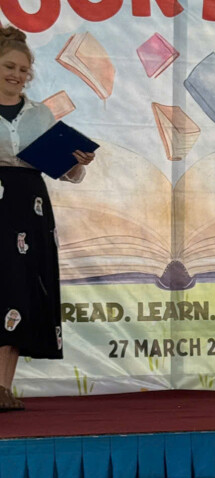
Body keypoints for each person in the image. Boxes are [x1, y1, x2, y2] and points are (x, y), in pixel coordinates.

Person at [0, 26, 95, 411]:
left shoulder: (39, 114)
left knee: (19, 290)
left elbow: (65, 171)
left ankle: (2, 388)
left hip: (29, 206)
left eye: (23, 70)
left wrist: (76, 162)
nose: (16, 75)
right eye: (9, 66)